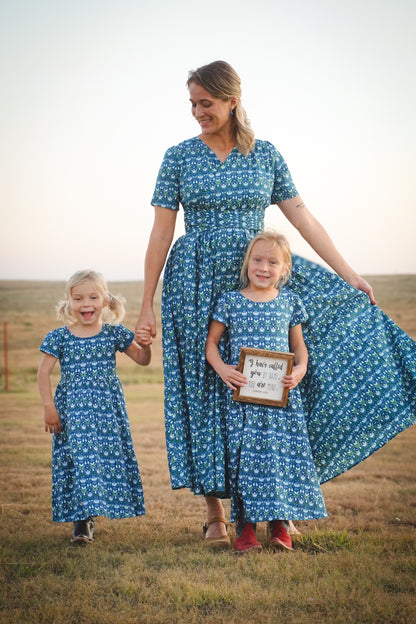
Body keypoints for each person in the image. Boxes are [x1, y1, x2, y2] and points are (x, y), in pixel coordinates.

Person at [135, 60, 416, 548]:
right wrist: (146, 304)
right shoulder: (178, 156)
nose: (198, 112)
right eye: (193, 104)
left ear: (232, 101)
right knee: (208, 391)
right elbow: (161, 232)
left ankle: (276, 501)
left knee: (276, 389)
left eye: (206, 102)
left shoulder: (265, 155)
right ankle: (216, 514)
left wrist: (349, 275)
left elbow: (302, 218)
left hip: (260, 279)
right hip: (195, 283)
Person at [206, 230, 327, 552]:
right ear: (247, 263)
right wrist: (222, 369)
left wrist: (300, 370)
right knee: (245, 461)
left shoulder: (290, 302)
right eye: (257, 260)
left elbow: (299, 349)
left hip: (282, 400)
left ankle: (279, 525)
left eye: (272, 262)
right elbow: (211, 345)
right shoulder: (230, 300)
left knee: (279, 459)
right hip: (242, 399)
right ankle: (246, 529)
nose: (263, 267)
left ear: (284, 268)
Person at [38, 270, 152, 544]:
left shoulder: (113, 334)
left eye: (93, 297)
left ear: (104, 301)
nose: (85, 304)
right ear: (69, 302)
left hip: (106, 412)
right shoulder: (59, 337)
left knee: (103, 461)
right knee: (79, 461)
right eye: (78, 298)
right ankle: (82, 522)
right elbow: (43, 374)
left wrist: (146, 345)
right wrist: (48, 407)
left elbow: (142, 360)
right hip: (72, 412)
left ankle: (98, 511)